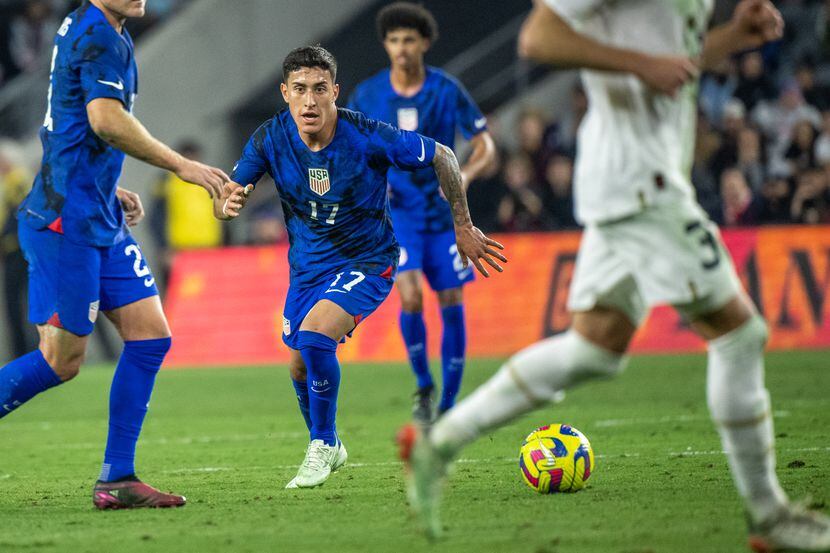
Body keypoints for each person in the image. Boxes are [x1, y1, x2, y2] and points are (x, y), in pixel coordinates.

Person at [398, 1, 830, 551]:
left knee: (595, 348)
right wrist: (637, 65)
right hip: (640, 182)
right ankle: (769, 516)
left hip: (636, 177)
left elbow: (671, 64)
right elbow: (540, 35)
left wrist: (731, 39)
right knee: (739, 333)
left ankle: (439, 444)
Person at [215, 46, 505, 490]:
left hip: (367, 262)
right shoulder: (269, 138)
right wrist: (226, 203)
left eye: (318, 90)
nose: (309, 101)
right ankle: (328, 443)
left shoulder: (367, 134)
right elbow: (230, 193)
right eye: (299, 90)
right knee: (298, 365)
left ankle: (324, 444)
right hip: (308, 270)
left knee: (314, 338)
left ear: (335, 91)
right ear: (285, 93)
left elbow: (444, 155)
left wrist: (462, 225)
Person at [0, 0, 229, 509]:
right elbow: (105, 120)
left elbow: (71, 120)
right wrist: (180, 165)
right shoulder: (98, 34)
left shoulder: (108, 28)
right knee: (61, 361)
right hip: (66, 222)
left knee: (150, 336)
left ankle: (116, 478)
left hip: (95, 211)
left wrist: (108, 184)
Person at [347, 2, 497, 424]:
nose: (401, 48)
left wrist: (464, 175)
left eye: (409, 39)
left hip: (446, 217)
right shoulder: (369, 95)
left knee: (450, 296)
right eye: (394, 40)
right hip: (400, 218)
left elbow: (486, 145)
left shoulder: (446, 90)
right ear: (385, 45)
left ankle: (450, 401)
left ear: (424, 43)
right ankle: (424, 388)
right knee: (409, 294)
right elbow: (354, 149)